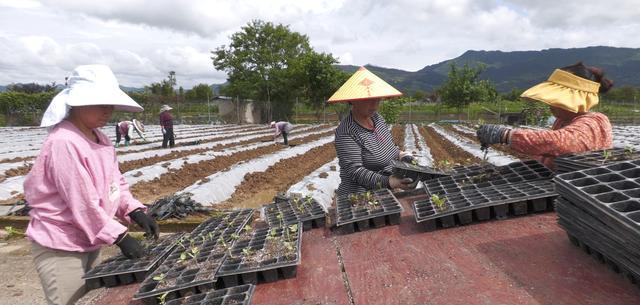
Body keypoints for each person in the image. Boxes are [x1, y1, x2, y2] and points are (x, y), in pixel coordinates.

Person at [24, 65, 159, 305]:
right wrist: (119, 237)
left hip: (89, 239)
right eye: (100, 103)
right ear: (77, 103)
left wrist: (134, 210)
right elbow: (82, 202)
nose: (108, 111)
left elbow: (114, 181)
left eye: (110, 104)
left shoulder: (100, 137)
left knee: (91, 299)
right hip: (62, 244)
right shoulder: (64, 142)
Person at [476, 62, 614, 170]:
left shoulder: (595, 122)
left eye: (556, 100)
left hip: (579, 195)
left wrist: (506, 135)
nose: (551, 105)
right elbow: (549, 151)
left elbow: (560, 144)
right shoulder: (563, 120)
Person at [329, 66, 416, 197]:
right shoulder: (347, 131)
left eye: (377, 99)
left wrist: (403, 155)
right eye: (368, 100)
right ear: (353, 100)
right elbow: (355, 171)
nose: (374, 105)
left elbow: (390, 148)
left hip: (382, 193)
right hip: (358, 198)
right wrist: (390, 181)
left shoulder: (377, 119)